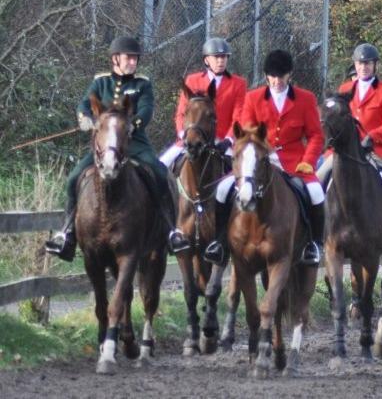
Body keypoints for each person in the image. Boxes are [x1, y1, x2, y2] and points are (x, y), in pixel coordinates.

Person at [45, 36, 186, 261]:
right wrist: (87, 119)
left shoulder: (142, 84)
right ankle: (67, 233)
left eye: (135, 58)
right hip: (104, 147)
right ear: (115, 59)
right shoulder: (101, 83)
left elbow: (147, 110)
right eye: (128, 57)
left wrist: (133, 124)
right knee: (73, 178)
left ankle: (171, 230)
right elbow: (84, 105)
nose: (133, 62)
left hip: (135, 143)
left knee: (160, 174)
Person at [208, 50, 325, 266]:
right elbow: (246, 131)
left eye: (281, 76)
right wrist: (263, 152)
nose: (277, 81)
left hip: (295, 161)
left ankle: (314, 245)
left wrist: (308, 160)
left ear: (289, 75)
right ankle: (220, 242)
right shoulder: (253, 98)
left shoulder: (306, 99)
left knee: (317, 193)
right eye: (273, 76)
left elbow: (316, 135)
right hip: (259, 161)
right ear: (266, 76)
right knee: (223, 189)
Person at [318, 43, 382, 248]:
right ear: (355, 65)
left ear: (375, 65)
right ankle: (317, 231)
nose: (363, 67)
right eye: (360, 63)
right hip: (344, 151)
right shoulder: (344, 89)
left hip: (376, 150)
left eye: (368, 63)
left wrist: (372, 136)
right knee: (318, 178)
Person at [159, 37, 247, 168]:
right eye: (216, 57)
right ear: (206, 59)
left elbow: (238, 116)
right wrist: (183, 134)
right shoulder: (192, 81)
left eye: (224, 57)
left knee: (244, 178)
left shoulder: (238, 84)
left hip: (223, 142)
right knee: (160, 166)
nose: (220, 61)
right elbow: (181, 114)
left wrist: (229, 140)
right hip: (192, 139)